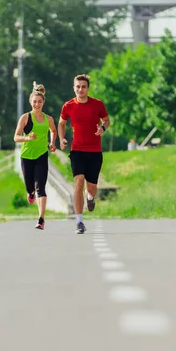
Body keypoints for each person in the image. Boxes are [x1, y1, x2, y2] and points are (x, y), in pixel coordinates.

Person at [58, 74, 110, 234]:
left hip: (94, 151)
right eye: (78, 86)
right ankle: (79, 221)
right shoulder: (68, 106)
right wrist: (61, 139)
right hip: (77, 150)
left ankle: (90, 197)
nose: (80, 89)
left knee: (92, 188)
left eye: (83, 87)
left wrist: (103, 128)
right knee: (78, 181)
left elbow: (107, 120)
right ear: (74, 88)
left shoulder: (97, 104)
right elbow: (61, 123)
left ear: (88, 88)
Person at [14, 82, 57, 230]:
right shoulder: (25, 118)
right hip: (26, 156)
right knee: (30, 187)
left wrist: (52, 143)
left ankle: (41, 219)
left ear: (43, 102)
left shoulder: (48, 119)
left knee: (41, 187)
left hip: (41, 156)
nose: (37, 104)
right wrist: (27, 138)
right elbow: (16, 137)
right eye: (34, 102)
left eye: (39, 102)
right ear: (30, 102)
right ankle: (30, 192)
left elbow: (53, 130)